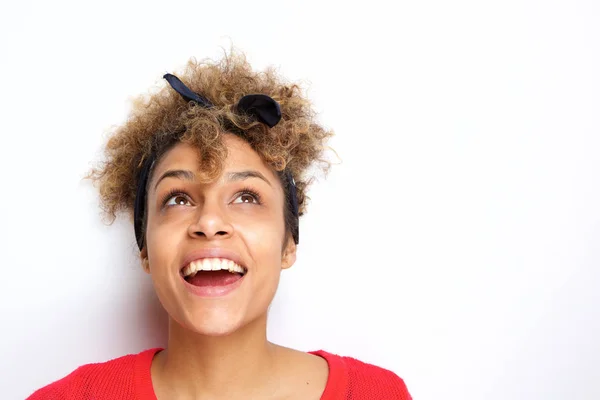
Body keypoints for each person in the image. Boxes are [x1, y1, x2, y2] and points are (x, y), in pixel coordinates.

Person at [27, 50, 412, 400]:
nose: (209, 223)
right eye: (178, 199)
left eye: (246, 197)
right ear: (144, 248)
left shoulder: (377, 393)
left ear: (288, 244)